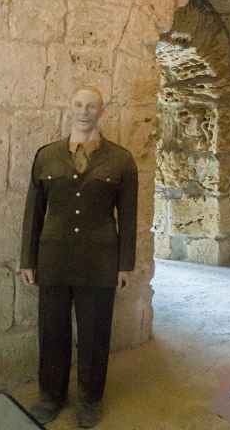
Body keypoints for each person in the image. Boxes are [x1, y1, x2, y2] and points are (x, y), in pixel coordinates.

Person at [20, 87, 138, 427]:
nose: (84, 111)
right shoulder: (47, 156)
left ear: (101, 111)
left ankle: (90, 399)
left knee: (95, 333)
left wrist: (125, 264)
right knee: (52, 331)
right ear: (69, 107)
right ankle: (51, 396)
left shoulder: (121, 160)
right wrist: (28, 260)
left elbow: (127, 217)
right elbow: (34, 212)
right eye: (78, 104)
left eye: (91, 106)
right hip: (53, 259)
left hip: (100, 261)